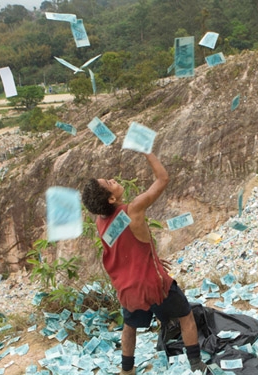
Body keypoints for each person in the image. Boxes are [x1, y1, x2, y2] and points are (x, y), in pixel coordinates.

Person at [81, 153, 208, 375]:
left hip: (128, 290)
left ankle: (127, 370)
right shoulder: (134, 209)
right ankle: (196, 364)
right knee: (185, 316)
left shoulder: (100, 221)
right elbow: (163, 179)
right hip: (153, 285)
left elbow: (127, 247)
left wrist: (154, 259)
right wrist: (147, 151)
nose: (113, 180)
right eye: (109, 183)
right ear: (111, 199)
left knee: (130, 327)